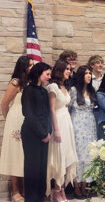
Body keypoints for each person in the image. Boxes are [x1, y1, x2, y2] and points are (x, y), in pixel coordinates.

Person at [0, 56, 33, 202]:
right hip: (15, 122)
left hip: (28, 122)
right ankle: (15, 191)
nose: (32, 67)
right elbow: (4, 104)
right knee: (15, 154)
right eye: (30, 65)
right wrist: (9, 122)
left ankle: (27, 189)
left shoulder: (31, 83)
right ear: (23, 67)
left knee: (26, 156)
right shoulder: (15, 83)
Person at [46, 60, 78, 202]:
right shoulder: (52, 86)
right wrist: (56, 130)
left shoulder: (65, 86)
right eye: (67, 69)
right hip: (57, 122)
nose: (69, 72)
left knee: (66, 156)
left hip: (67, 122)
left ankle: (62, 189)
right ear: (59, 70)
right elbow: (51, 109)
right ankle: (56, 190)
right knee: (59, 156)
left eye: (70, 70)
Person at [21, 62, 52, 202]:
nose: (49, 77)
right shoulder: (28, 90)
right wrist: (42, 134)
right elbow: (29, 114)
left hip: (45, 132)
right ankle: (31, 198)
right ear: (39, 73)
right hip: (31, 133)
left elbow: (47, 114)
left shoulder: (44, 91)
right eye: (47, 74)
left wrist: (48, 131)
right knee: (32, 166)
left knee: (42, 166)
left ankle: (40, 196)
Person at [69, 66, 98, 199]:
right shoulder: (74, 90)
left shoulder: (92, 90)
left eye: (89, 73)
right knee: (79, 153)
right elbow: (68, 108)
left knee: (88, 154)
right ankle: (76, 186)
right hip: (78, 123)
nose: (88, 75)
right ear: (80, 76)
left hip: (90, 124)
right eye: (86, 73)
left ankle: (84, 185)